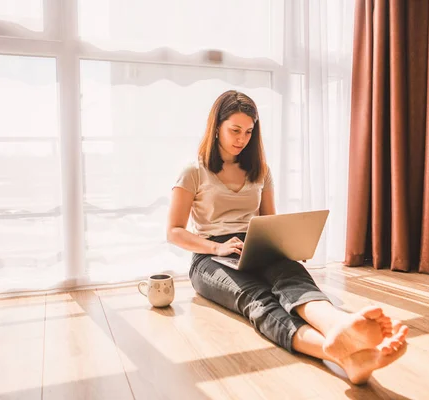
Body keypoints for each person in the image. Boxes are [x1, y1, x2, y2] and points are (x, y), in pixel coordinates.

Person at [167, 90, 408, 384]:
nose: (241, 139)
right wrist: (217, 247)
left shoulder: (260, 171)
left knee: (292, 275)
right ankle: (337, 353)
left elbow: (270, 221)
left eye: (248, 131)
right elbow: (174, 231)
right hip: (209, 256)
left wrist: (287, 244)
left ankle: (339, 326)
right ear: (216, 126)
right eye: (234, 130)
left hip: (254, 243)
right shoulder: (194, 171)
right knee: (257, 297)